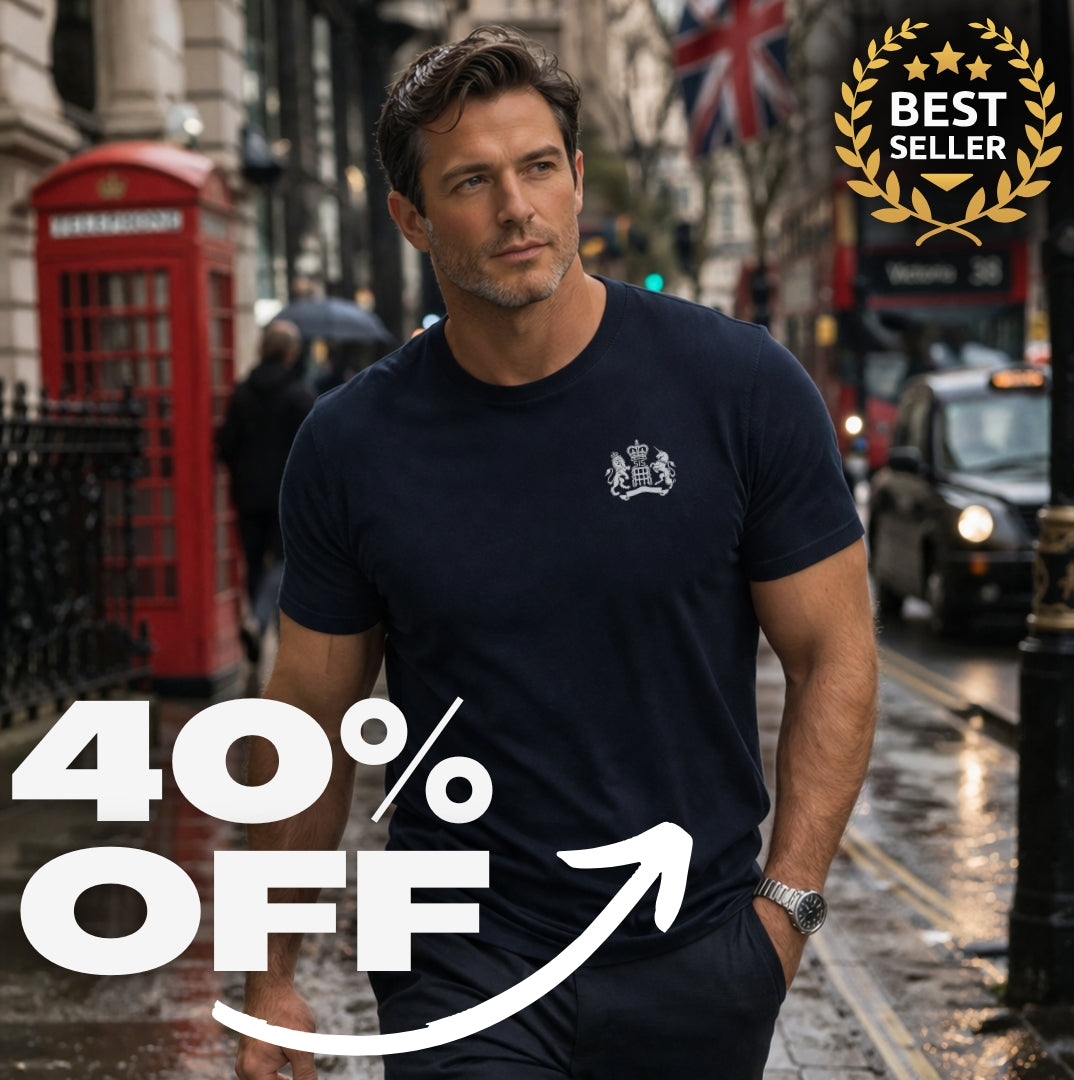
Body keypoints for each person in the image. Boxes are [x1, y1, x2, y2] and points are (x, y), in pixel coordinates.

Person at [234, 25, 877, 1080]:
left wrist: (785, 910)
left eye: (538, 168)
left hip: (696, 951)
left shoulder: (739, 388)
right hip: (461, 965)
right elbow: (309, 713)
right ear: (410, 217)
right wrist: (271, 977)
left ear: (578, 180)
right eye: (472, 182)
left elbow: (835, 655)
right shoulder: (353, 446)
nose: (516, 207)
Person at [217, 318, 315, 663]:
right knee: (285, 563)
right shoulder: (299, 395)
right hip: (286, 495)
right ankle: (262, 623)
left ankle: (257, 646)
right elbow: (314, 448)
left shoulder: (241, 392)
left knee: (255, 565)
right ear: (290, 353)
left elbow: (224, 444)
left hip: (247, 494)